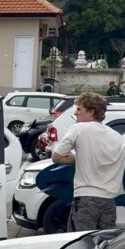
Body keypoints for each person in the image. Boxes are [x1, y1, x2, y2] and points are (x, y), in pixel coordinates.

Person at [52, 91, 125, 231]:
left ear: (91, 112)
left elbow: (57, 156)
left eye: (79, 109)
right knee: (103, 246)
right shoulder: (116, 137)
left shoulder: (79, 128)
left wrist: (78, 158)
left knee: (80, 244)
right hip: (109, 202)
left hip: (86, 199)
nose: (76, 113)